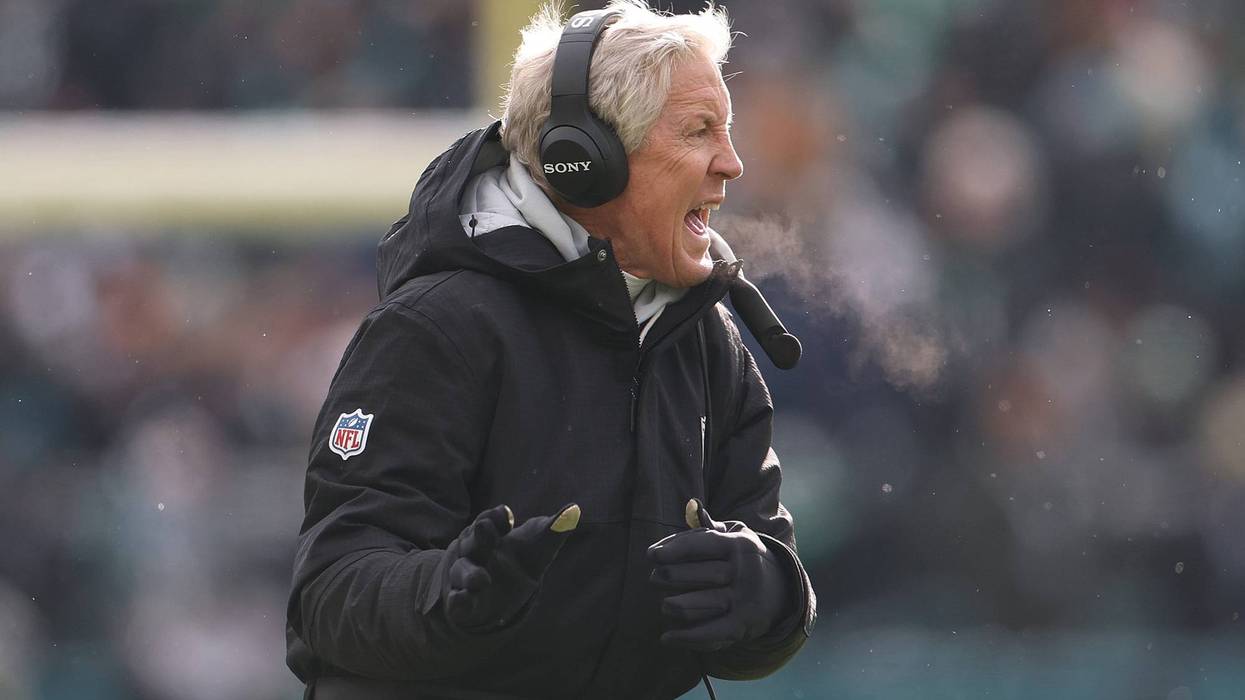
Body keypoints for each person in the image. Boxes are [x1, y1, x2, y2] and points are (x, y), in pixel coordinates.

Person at [285, 2, 816, 698]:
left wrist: (769, 593)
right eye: (698, 131)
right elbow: (330, 595)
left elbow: (767, 568)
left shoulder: (707, 343)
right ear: (584, 162)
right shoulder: (436, 330)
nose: (732, 163)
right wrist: (449, 596)